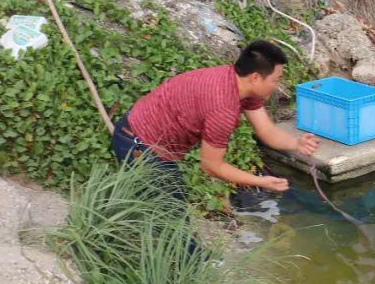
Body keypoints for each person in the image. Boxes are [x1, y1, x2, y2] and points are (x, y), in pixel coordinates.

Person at [111, 39, 319, 202]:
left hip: (138, 131)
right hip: (138, 144)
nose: (277, 86)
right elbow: (211, 165)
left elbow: (265, 129)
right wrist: (260, 181)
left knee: (166, 209)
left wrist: (296, 143)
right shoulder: (222, 108)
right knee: (172, 220)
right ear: (255, 77)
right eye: (275, 80)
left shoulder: (237, 82)